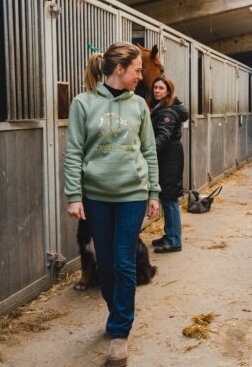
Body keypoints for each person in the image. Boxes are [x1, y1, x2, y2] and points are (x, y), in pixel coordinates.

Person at [64, 41, 160, 367]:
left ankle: (120, 332)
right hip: (96, 197)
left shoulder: (139, 106)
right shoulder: (83, 104)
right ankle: (116, 312)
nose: (140, 77)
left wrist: (154, 192)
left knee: (123, 262)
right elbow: (74, 152)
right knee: (104, 265)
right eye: (136, 71)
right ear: (119, 69)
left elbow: (149, 152)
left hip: (132, 194)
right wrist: (74, 195)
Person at [148, 76, 189, 253]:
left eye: (161, 88)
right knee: (166, 197)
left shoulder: (167, 112)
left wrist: (147, 153)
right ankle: (169, 234)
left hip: (169, 160)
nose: (157, 91)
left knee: (170, 198)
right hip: (169, 158)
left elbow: (163, 137)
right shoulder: (164, 107)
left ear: (168, 91)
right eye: (155, 88)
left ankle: (174, 240)